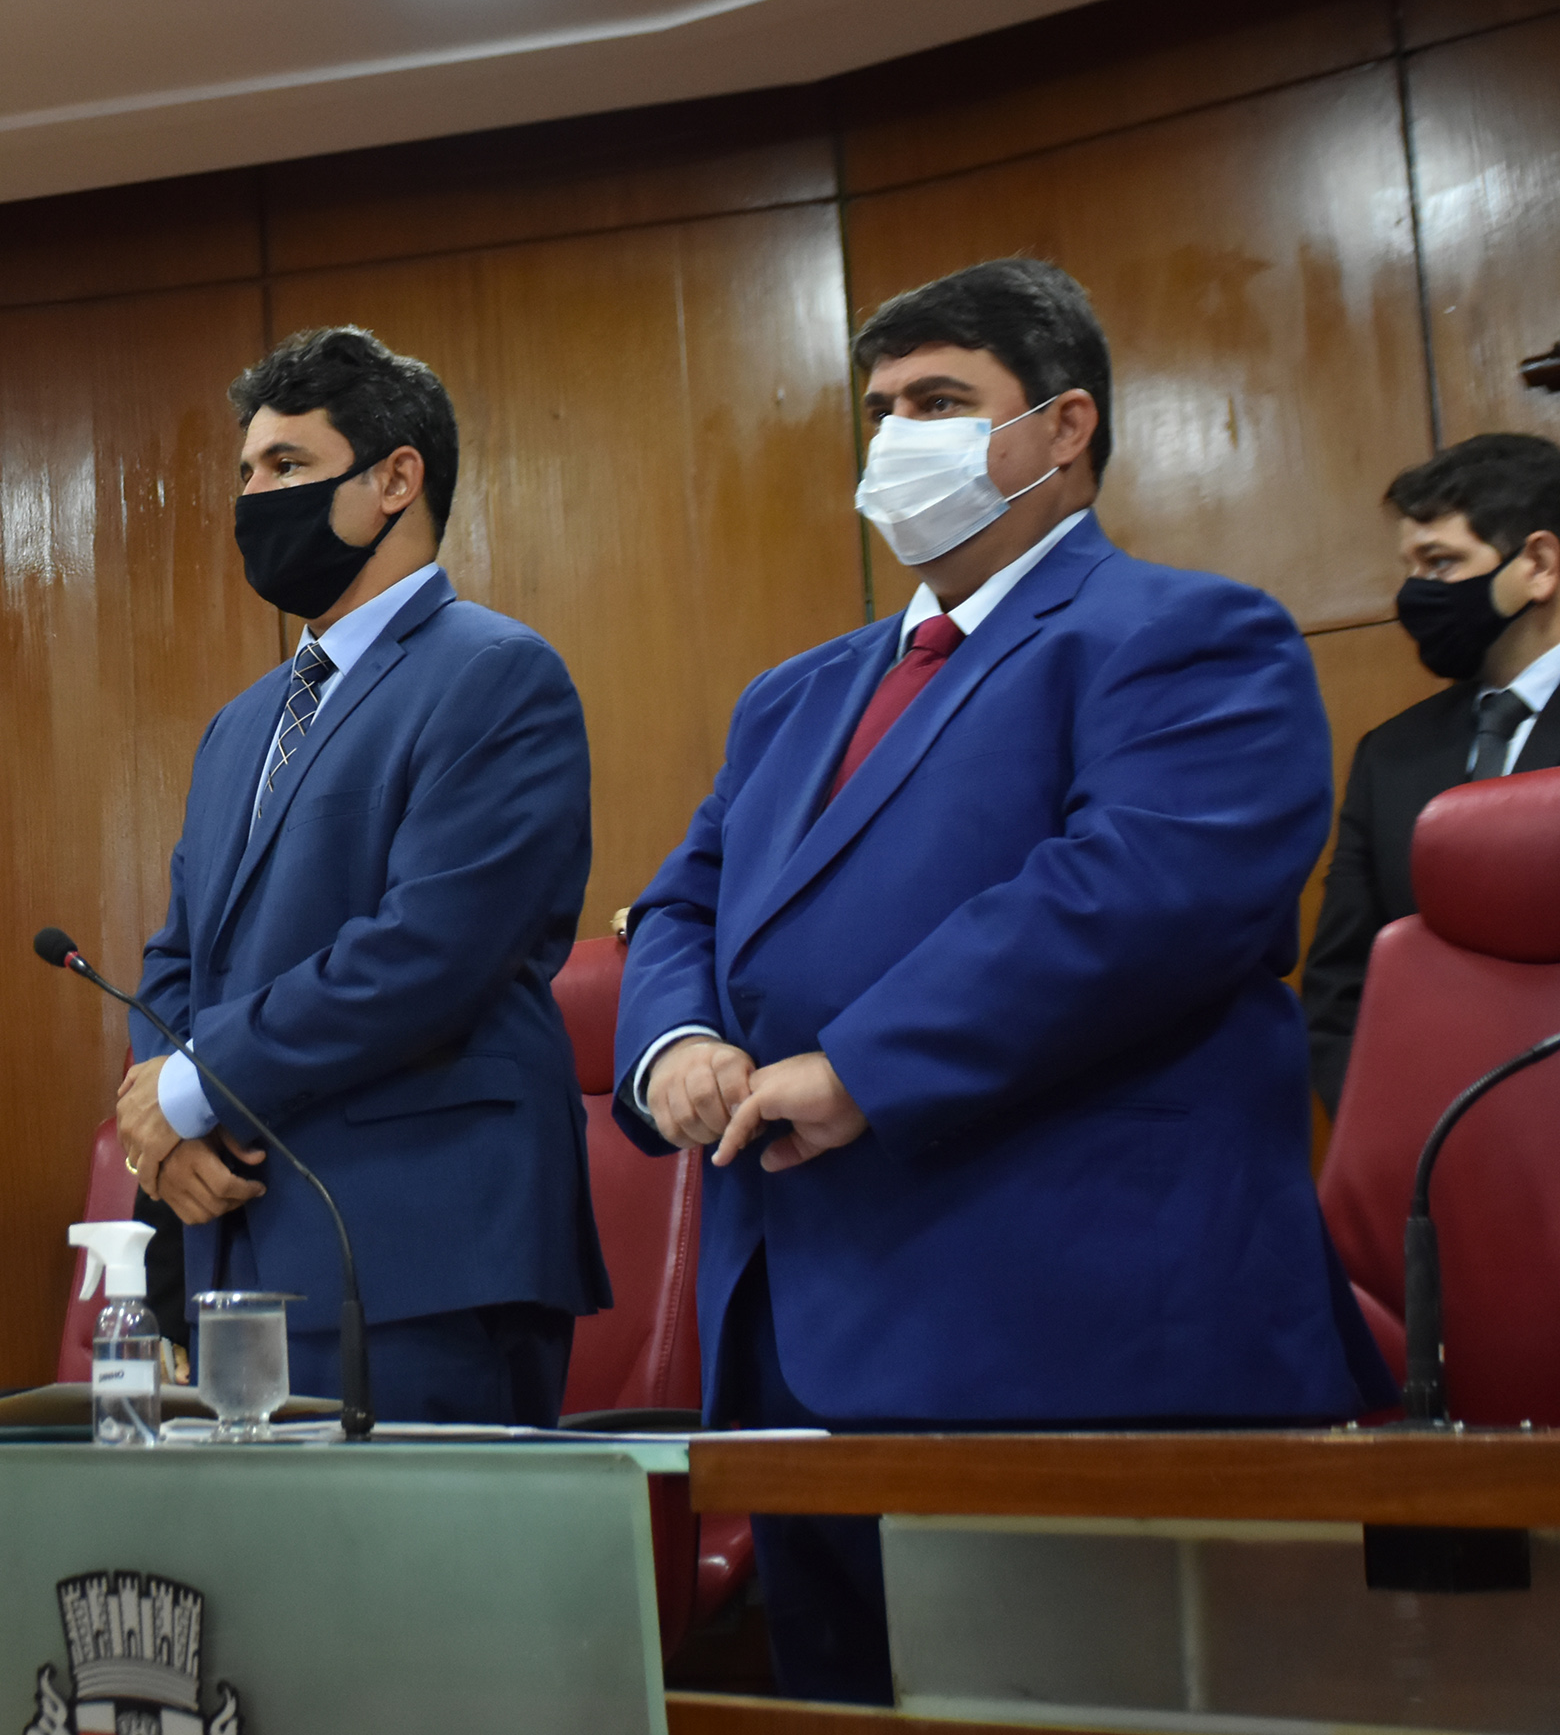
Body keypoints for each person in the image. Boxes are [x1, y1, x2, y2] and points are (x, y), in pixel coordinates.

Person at [614, 259, 1391, 1703]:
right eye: (880, 409)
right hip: (795, 1335)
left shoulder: (1189, 633)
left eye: (938, 401)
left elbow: (1137, 893)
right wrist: (674, 1043)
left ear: (1064, 426)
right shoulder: (794, 694)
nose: (895, 438)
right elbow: (682, 901)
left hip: (1069, 1335)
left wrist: (861, 1065)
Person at [113, 326, 606, 1427]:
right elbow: (180, 955)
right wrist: (166, 1125)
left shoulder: (496, 673)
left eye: (287, 465)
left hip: (422, 1253)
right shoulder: (241, 724)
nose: (254, 497)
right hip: (235, 1245)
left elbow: (428, 950)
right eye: (246, 471)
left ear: (395, 479)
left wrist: (194, 1087)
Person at [1302, 432, 1560, 1114]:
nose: (1415, 594)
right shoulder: (1390, 755)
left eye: (1441, 563)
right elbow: (1342, 985)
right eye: (1410, 568)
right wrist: (1395, 1131)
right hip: (1437, 1149)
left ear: (1538, 565)